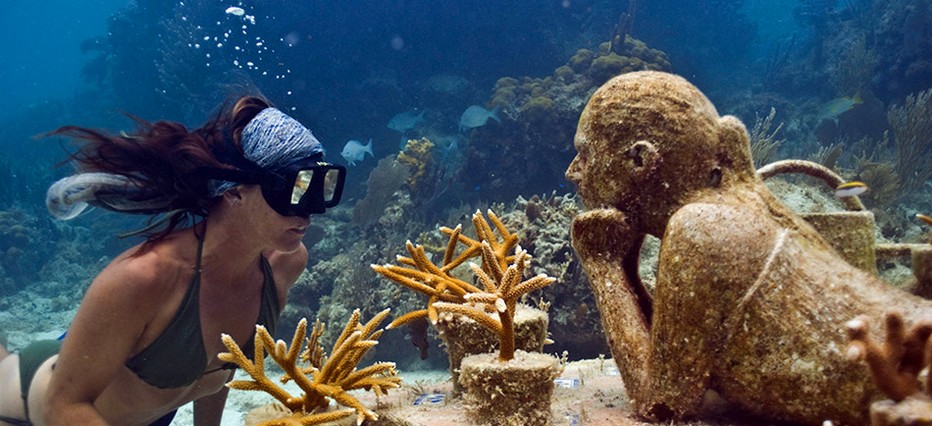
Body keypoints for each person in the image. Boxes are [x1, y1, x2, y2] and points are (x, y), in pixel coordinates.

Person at [565, 71, 931, 423]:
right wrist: (626, 259)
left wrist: (602, 264)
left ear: (641, 161)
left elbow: (662, 403)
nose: (573, 171)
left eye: (585, 154)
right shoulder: (740, 203)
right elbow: (675, 356)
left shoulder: (700, 228)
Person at [0, 96, 345, 426]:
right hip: (29, 409)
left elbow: (224, 366)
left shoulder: (284, 264)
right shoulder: (143, 278)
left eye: (322, 187)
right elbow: (62, 405)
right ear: (233, 190)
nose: (313, 209)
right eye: (295, 189)